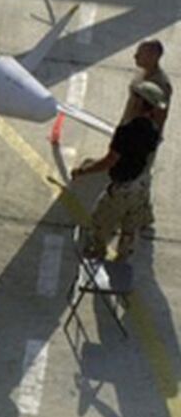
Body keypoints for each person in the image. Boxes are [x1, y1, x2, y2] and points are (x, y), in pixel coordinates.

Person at [71, 81, 167, 261]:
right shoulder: (153, 130)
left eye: (134, 97)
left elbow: (109, 161)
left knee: (100, 222)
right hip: (141, 183)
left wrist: (83, 171)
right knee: (130, 226)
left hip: (123, 188)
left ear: (139, 102)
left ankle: (97, 251)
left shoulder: (126, 131)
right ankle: (124, 256)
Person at [121, 39, 170, 129]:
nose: (135, 56)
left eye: (141, 53)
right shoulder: (141, 73)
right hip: (127, 128)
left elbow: (159, 117)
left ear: (153, 56)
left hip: (140, 136)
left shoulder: (160, 84)